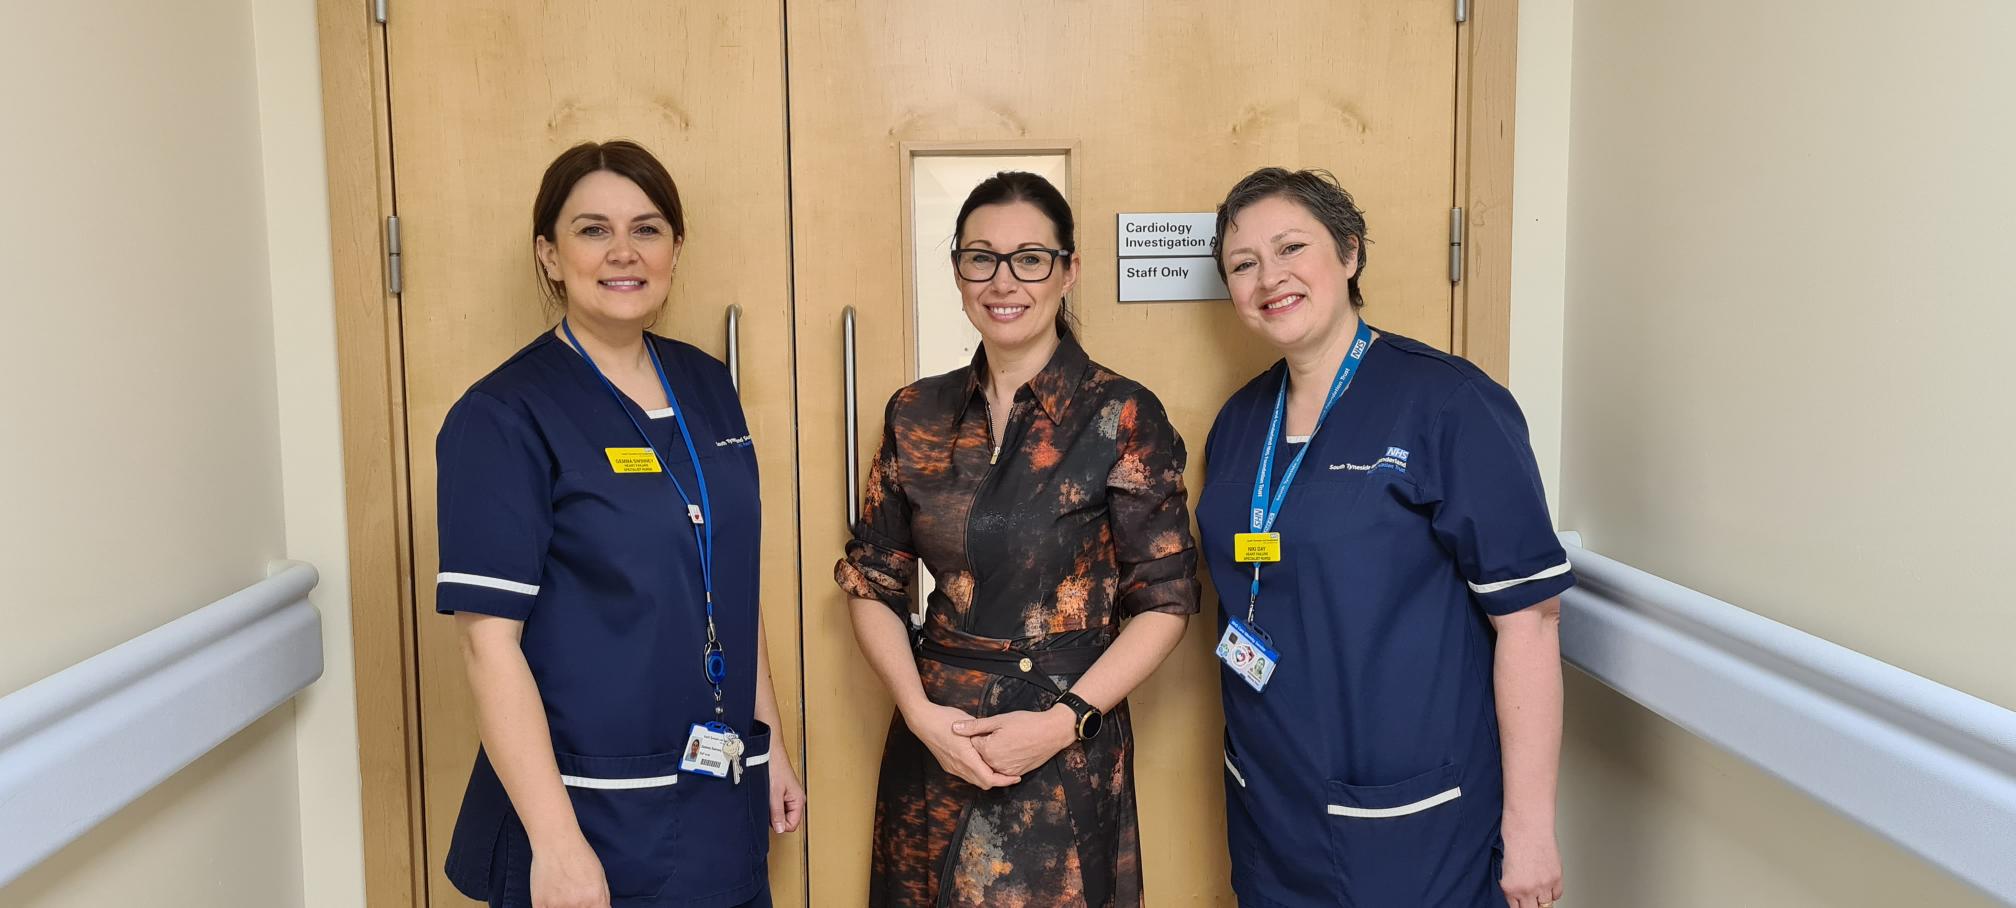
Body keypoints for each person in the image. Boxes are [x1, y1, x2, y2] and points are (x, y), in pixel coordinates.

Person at [435, 140, 803, 908]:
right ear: (549, 254)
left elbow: (727, 579)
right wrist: (557, 844)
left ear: (675, 248)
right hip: (586, 812)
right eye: (593, 230)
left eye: (647, 228)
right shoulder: (504, 416)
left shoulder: (706, 383)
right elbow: (486, 642)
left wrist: (769, 746)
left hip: (719, 795)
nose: (623, 252)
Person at [1198, 168, 1570, 908]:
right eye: (1244, 265)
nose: (1270, 277)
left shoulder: (1451, 405)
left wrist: (1531, 831)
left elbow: (1530, 622)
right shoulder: (1240, 422)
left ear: (1350, 253)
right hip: (1269, 805)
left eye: (1292, 247)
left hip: (1415, 817)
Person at [836, 171, 1199, 907]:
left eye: (1030, 258)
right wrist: (917, 711)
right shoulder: (916, 412)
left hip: (1061, 738)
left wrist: (1064, 723)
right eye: (982, 257)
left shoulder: (1121, 414)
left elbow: (1165, 601)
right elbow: (873, 580)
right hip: (937, 734)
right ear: (959, 272)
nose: (1005, 281)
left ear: (1069, 271)